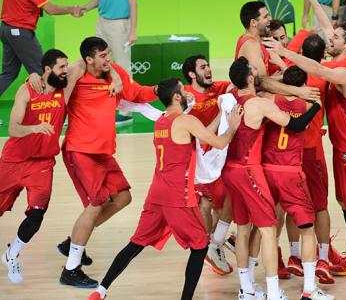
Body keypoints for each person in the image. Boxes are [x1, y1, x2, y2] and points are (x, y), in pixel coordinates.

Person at [265, 13, 346, 298]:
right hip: (342, 149)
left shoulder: (343, 72)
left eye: (335, 38)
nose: (329, 38)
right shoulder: (345, 60)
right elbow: (330, 36)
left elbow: (317, 68)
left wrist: (285, 51)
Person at [87, 78, 242, 300]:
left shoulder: (161, 121)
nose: (187, 91)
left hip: (156, 193)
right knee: (199, 246)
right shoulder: (186, 120)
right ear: (177, 97)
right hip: (178, 196)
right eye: (183, 88)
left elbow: (200, 135)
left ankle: (100, 291)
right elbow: (218, 143)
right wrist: (232, 127)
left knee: (135, 243)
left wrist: (220, 115)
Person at [58, 37, 158, 288]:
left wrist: (159, 89)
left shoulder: (115, 73)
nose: (108, 59)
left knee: (123, 197)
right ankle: (70, 269)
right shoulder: (76, 76)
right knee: (96, 204)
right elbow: (53, 95)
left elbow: (136, 93)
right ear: (88, 59)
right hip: (80, 151)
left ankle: (73, 243)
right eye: (102, 56)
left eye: (108, 54)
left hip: (103, 153)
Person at [222, 57, 321, 300]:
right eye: (254, 72)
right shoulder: (260, 104)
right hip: (251, 170)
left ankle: (246, 289)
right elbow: (296, 126)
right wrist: (316, 106)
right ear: (249, 79)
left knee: (243, 230)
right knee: (268, 230)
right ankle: (274, 292)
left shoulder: (229, 96)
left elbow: (266, 83)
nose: (261, 74)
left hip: (230, 170)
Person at [0, 49, 82, 283]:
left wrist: (116, 77)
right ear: (47, 70)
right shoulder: (27, 90)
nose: (65, 71)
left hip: (43, 164)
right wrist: (33, 129)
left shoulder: (63, 90)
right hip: (14, 161)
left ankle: (12, 253)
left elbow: (83, 63)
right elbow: (13, 128)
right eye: (60, 67)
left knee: (37, 214)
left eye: (66, 66)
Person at [260, 66, 334, 300]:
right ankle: (309, 289)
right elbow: (303, 118)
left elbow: (262, 83)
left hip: (267, 171)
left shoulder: (269, 99)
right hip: (291, 173)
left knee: (265, 231)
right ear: (304, 86)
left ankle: (259, 285)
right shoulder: (309, 105)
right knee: (308, 230)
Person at [0, 0, 83, 125]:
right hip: (21, 33)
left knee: (9, 73)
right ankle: (55, 112)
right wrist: (71, 9)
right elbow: (51, 10)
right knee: (45, 71)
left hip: (6, 29)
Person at [181, 55, 235, 275]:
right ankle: (209, 246)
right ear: (192, 74)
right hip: (200, 160)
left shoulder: (218, 89)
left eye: (208, 65)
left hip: (221, 155)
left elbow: (236, 84)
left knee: (221, 202)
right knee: (211, 204)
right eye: (203, 67)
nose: (209, 69)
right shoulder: (185, 95)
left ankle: (213, 243)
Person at [82, 0, 142, 125]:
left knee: (122, 65)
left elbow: (133, 1)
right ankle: (101, 102)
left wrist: (133, 30)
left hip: (120, 24)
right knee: (97, 63)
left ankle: (126, 111)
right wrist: (85, 8)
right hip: (102, 22)